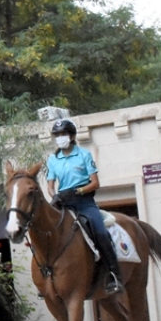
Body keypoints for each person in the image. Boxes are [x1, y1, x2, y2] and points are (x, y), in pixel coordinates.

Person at [44, 119, 122, 295]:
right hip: (62, 201)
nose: (60, 138)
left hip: (83, 201)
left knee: (101, 232)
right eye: (57, 135)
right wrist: (53, 194)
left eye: (63, 134)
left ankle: (114, 274)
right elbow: (50, 185)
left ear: (71, 136)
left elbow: (95, 183)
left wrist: (79, 190)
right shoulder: (53, 160)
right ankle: (47, 276)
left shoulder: (84, 155)